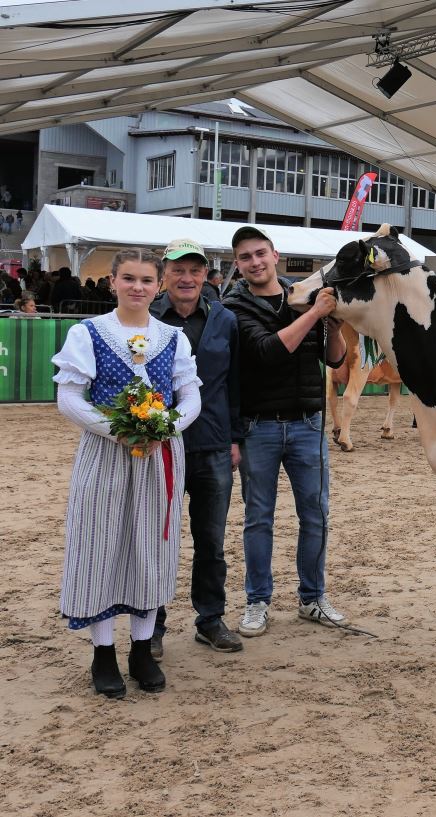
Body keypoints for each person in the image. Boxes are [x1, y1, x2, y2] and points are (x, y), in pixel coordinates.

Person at [51, 248, 201, 698]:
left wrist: (162, 428)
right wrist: (118, 431)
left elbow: (190, 397)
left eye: (146, 280)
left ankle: (140, 649)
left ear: (158, 286)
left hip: (157, 455)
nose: (138, 287)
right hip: (106, 453)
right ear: (113, 281)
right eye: (129, 278)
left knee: (149, 548)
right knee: (101, 545)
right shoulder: (88, 333)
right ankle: (102, 654)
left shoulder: (173, 338)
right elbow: (70, 398)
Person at [222, 225, 349, 637]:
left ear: (275, 255)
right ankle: (257, 601)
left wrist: (332, 322)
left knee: (315, 515)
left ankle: (313, 598)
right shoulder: (233, 307)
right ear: (238, 265)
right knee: (259, 519)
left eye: (261, 253)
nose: (255, 262)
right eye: (246, 257)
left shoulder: (304, 296)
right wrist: (315, 313)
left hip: (309, 424)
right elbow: (267, 352)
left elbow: (335, 360)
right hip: (257, 426)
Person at [149, 238, 244, 657]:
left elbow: (237, 383)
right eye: (177, 270)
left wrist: (236, 437)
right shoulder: (146, 318)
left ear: (206, 274)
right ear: (164, 274)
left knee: (211, 540)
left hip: (213, 445)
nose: (186, 278)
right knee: (154, 539)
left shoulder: (225, 319)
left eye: (195, 270)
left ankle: (210, 619)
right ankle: (150, 625)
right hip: (156, 448)